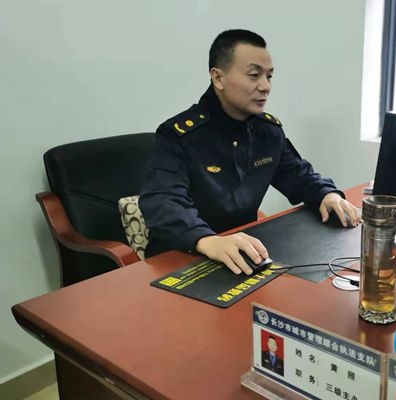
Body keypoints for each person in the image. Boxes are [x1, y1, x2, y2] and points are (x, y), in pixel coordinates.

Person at [139, 29, 360, 275]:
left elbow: (298, 176)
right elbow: (162, 202)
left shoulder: (268, 132)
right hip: (182, 257)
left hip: (242, 256)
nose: (265, 87)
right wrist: (207, 240)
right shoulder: (179, 135)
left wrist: (327, 194)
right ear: (218, 78)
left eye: (269, 76)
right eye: (254, 75)